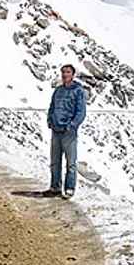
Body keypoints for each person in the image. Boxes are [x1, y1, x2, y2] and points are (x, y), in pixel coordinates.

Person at [45, 64, 87, 199]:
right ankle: (55, 187)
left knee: (71, 163)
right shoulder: (58, 91)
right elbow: (52, 107)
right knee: (55, 161)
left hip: (69, 131)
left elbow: (81, 112)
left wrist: (72, 125)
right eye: (63, 72)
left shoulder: (78, 91)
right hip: (56, 129)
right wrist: (50, 120)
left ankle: (69, 188)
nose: (65, 75)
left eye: (68, 72)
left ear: (73, 74)